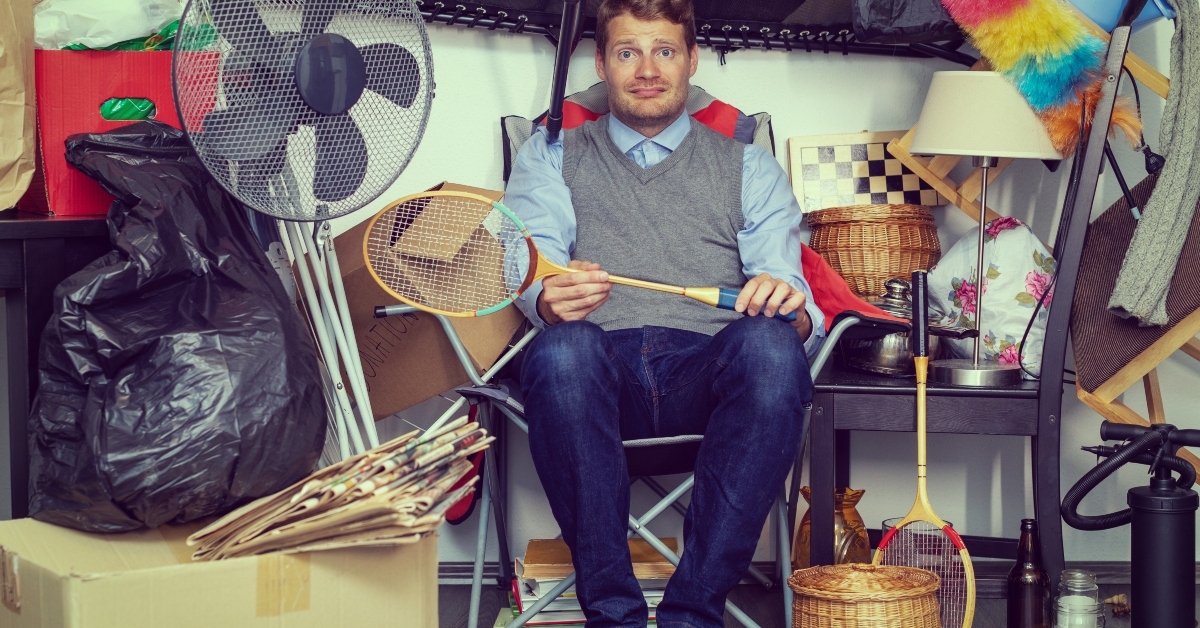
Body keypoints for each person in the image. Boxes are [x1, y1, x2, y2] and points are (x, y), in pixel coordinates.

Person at [503, 0, 824, 625]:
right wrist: (545, 295)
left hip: (707, 378)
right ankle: (613, 615)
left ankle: (692, 613)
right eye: (627, 52)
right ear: (600, 63)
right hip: (596, 380)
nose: (647, 69)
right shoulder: (551, 156)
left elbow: (788, 290)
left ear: (692, 59)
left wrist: (789, 309)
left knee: (770, 346)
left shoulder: (749, 166)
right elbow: (530, 261)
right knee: (563, 347)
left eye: (664, 51)